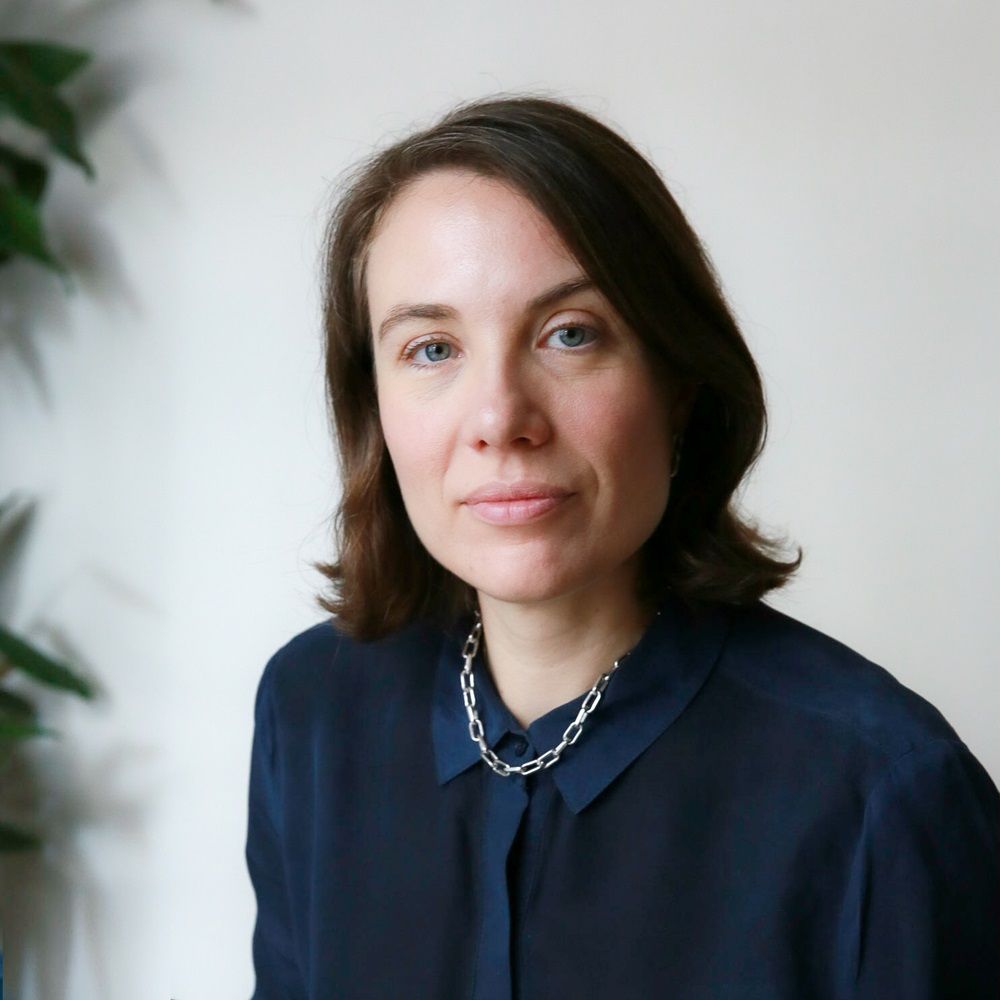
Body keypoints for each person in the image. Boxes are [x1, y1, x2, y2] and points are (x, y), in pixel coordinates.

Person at [244, 94, 1000, 999]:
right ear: (373, 407)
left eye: (570, 334)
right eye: (432, 348)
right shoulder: (312, 712)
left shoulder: (886, 792)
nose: (499, 420)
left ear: (678, 382)